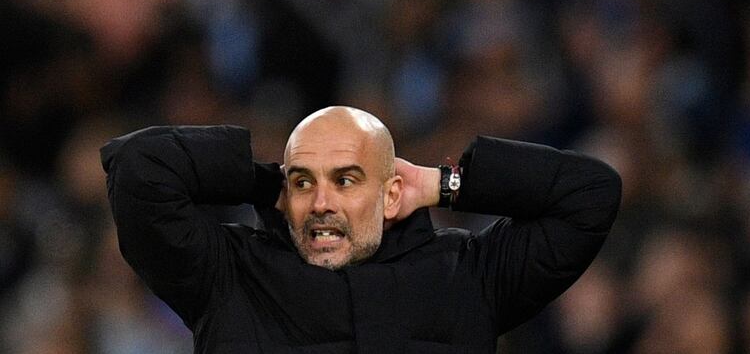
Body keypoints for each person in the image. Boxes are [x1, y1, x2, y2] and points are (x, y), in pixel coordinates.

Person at [101, 106, 621, 353]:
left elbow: (590, 194)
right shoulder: (231, 276)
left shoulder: (469, 275)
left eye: (345, 180)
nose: (322, 203)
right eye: (305, 183)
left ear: (392, 192)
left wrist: (445, 184)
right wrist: (268, 180)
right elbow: (139, 168)